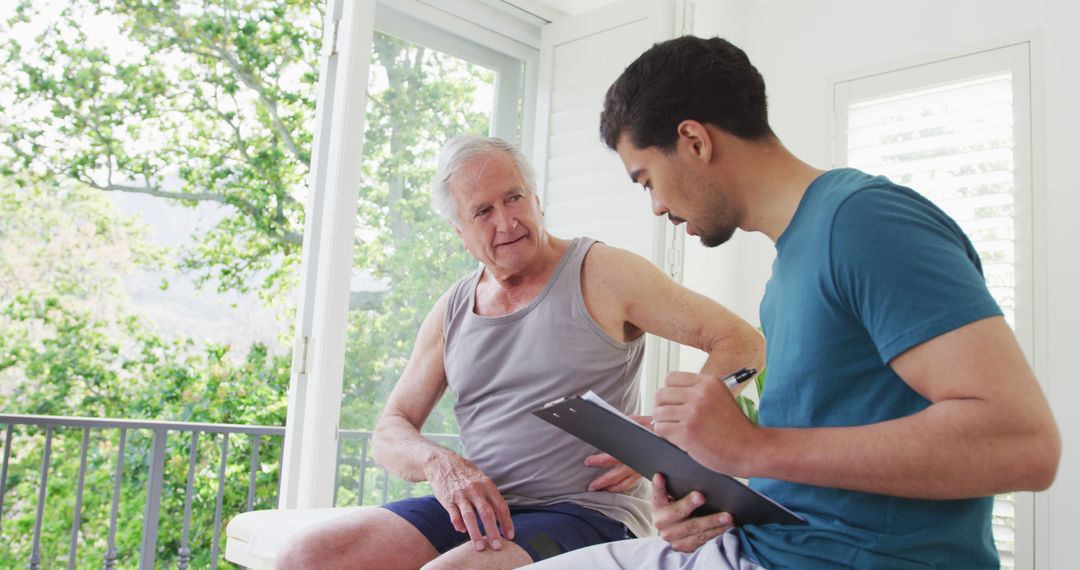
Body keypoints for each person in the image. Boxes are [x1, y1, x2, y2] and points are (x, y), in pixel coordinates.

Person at [527, 36, 1061, 569]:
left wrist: (750, 449)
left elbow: (1022, 445)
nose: (657, 207)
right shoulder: (785, 276)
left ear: (693, 140)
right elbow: (824, 465)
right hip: (763, 547)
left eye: (646, 180)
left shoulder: (865, 222)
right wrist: (707, 490)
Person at [276, 135, 764, 569]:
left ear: (537, 199)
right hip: (482, 511)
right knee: (306, 555)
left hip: (588, 514)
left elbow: (741, 342)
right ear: (460, 233)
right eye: (482, 212)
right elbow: (391, 429)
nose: (506, 221)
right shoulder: (451, 310)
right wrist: (438, 465)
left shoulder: (603, 273)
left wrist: (670, 434)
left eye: (513, 198)